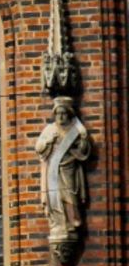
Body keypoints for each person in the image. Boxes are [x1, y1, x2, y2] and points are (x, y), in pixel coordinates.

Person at [35, 97, 92, 247]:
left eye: (63, 113)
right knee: (55, 196)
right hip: (53, 171)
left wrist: (83, 141)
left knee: (70, 195)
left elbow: (83, 150)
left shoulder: (75, 130)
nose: (60, 116)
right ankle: (58, 224)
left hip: (69, 168)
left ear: (69, 114)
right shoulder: (50, 129)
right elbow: (39, 147)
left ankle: (72, 223)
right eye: (58, 113)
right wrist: (48, 142)